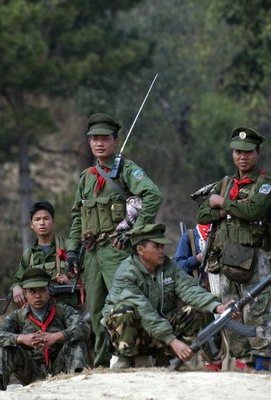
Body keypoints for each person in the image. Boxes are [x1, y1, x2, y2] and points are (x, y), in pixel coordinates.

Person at [67, 113, 163, 367]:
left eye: (105, 138)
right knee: (97, 310)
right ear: (89, 143)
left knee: (126, 302)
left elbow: (153, 195)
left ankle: (135, 356)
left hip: (117, 249)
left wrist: (135, 232)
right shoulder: (87, 178)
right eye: (94, 139)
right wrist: (71, 251)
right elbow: (77, 216)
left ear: (115, 141)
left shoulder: (126, 170)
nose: (100, 143)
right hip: (91, 253)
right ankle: (100, 362)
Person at [196, 126, 271, 372]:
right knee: (229, 313)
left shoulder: (265, 184)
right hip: (224, 259)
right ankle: (243, 364)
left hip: (253, 258)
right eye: (238, 152)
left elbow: (254, 210)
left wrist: (222, 203)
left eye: (248, 152)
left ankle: (262, 365)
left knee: (257, 312)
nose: (242, 156)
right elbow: (202, 212)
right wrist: (227, 207)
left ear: (257, 153)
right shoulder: (225, 183)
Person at [102, 223, 235, 369]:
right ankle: (127, 358)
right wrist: (171, 340)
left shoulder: (169, 266)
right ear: (140, 250)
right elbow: (144, 310)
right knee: (124, 310)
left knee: (195, 311)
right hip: (136, 333)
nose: (162, 251)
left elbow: (189, 289)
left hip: (159, 329)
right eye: (156, 246)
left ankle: (167, 358)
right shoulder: (126, 273)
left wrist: (218, 307)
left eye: (162, 246)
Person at [0, 268, 90, 390]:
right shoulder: (18, 316)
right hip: (31, 371)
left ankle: (79, 384)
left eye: (42, 290)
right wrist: (22, 339)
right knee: (5, 347)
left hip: (61, 369)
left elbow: (84, 327)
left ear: (49, 291)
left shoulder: (62, 310)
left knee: (76, 340)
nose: (38, 296)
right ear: (25, 294)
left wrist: (57, 336)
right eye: (32, 291)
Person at [11, 201, 77, 307]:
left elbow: (87, 278)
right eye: (37, 219)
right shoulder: (29, 254)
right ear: (31, 225)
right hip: (38, 311)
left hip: (66, 309)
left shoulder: (69, 247)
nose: (42, 223)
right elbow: (17, 281)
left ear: (53, 221)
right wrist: (16, 288)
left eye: (46, 218)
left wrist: (69, 282)